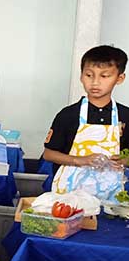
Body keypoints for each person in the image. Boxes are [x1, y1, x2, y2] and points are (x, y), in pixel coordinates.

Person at [44, 45, 129, 202]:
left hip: (112, 196)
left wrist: (123, 161)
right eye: (89, 75)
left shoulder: (125, 115)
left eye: (104, 76)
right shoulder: (68, 115)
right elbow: (48, 154)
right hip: (69, 194)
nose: (95, 83)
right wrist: (80, 160)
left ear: (119, 78)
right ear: (81, 76)